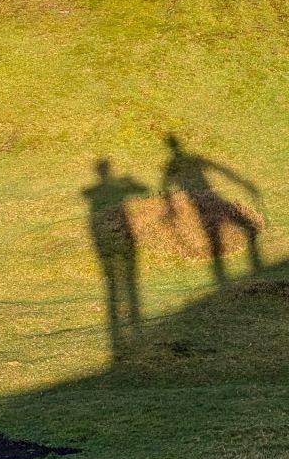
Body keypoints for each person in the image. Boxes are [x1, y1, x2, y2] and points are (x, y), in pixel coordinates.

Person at [160, 133, 263, 282]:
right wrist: (170, 208)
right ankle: (226, 276)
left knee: (238, 229)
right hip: (201, 204)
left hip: (208, 201)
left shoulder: (182, 162)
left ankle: (248, 268)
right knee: (217, 240)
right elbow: (166, 187)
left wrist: (242, 182)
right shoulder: (179, 163)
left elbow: (219, 169)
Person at [84, 158, 148, 356]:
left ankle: (125, 320)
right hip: (114, 238)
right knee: (125, 278)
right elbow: (142, 189)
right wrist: (127, 184)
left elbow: (142, 190)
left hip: (109, 238)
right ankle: (131, 319)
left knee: (116, 281)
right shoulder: (108, 190)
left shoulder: (96, 192)